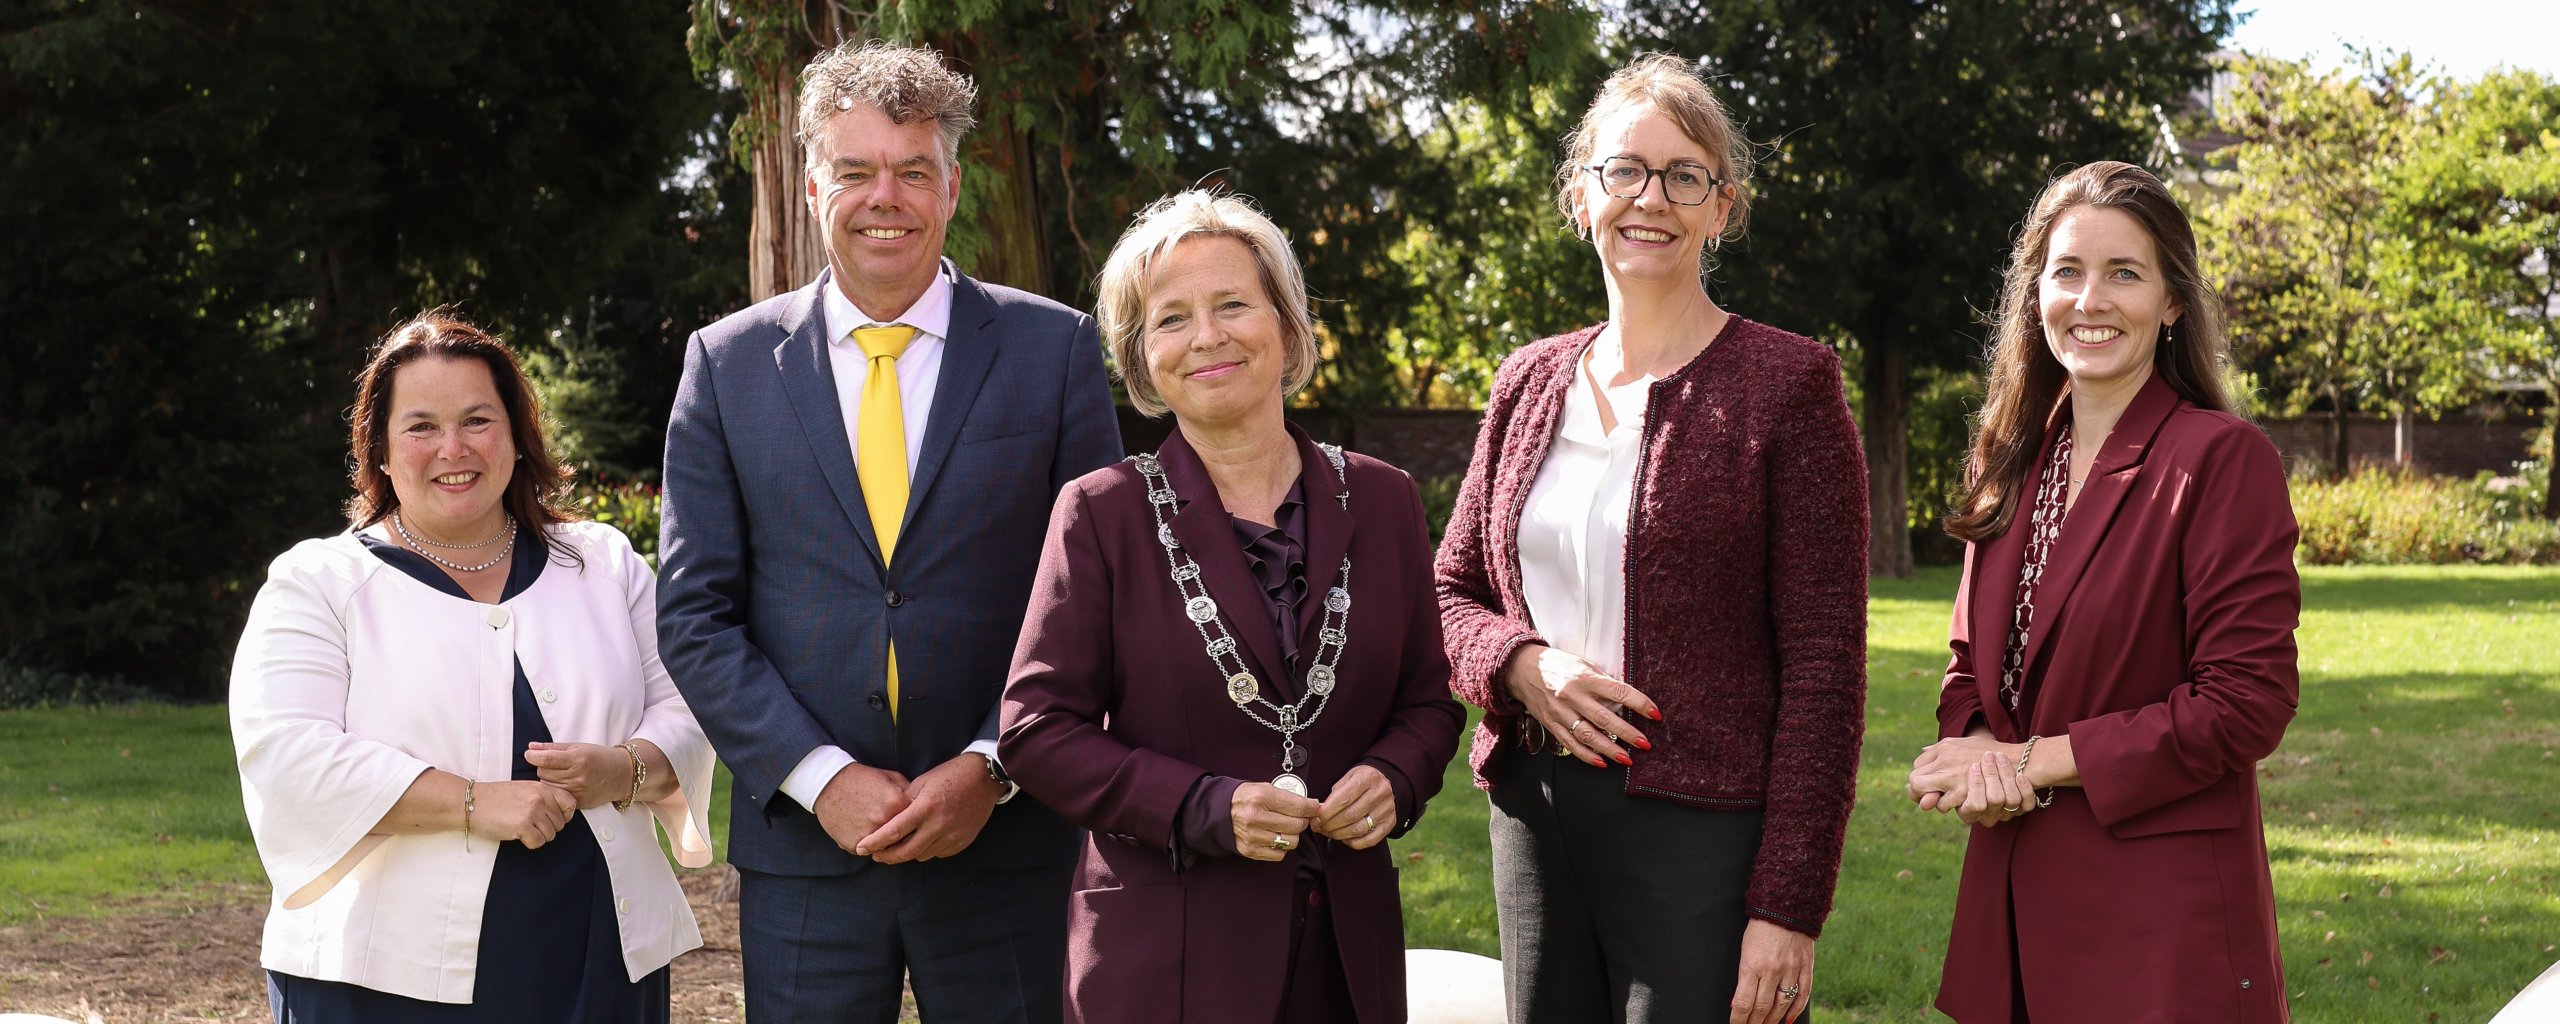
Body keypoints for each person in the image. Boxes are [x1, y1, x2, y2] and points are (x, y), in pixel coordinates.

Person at [655, 39, 1123, 1023]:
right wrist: (819, 778)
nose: (887, 197)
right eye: (857, 171)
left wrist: (993, 767)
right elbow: (695, 613)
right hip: (806, 853)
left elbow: (1098, 601)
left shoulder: (1055, 351)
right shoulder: (727, 365)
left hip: (1007, 841)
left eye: (913, 172)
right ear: (815, 184)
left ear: (951, 188)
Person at [1435, 53, 1868, 1024]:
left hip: (1702, 839)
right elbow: (1449, 592)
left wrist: (1786, 907)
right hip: (1532, 819)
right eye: (1623, 169)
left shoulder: (1789, 386)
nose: (1651, 199)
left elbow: (1825, 671)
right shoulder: (1528, 380)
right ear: (1580, 196)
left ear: (1723, 208)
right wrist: (1518, 663)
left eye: (1685, 176)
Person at [998, 189, 1466, 1024]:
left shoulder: (1386, 499)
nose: (1206, 336)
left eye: (1232, 305)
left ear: (1286, 326)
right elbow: (1037, 731)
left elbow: (1428, 701)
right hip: (1166, 964)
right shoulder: (1100, 513)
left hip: (1347, 960)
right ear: (1143, 360)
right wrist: (1204, 806)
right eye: (1170, 319)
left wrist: (1397, 776)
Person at [230, 312, 715, 1022]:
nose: (453, 448)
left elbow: (689, 706)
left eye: (477, 420)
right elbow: (288, 758)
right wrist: (471, 801)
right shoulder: (317, 583)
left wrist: (626, 767)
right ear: (381, 452)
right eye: (421, 426)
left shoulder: (603, 563)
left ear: (517, 437)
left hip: (595, 953)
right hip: (379, 978)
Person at [1907, 160, 2298, 1023]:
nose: (2091, 301)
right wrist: (1974, 749)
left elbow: (2245, 705)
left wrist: (2031, 761)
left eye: (2125, 273)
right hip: (2010, 908)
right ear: (2035, 293)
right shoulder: (2006, 460)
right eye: (2068, 272)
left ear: (2171, 303)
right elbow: (1971, 663)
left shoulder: (2219, 459)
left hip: (2159, 927)